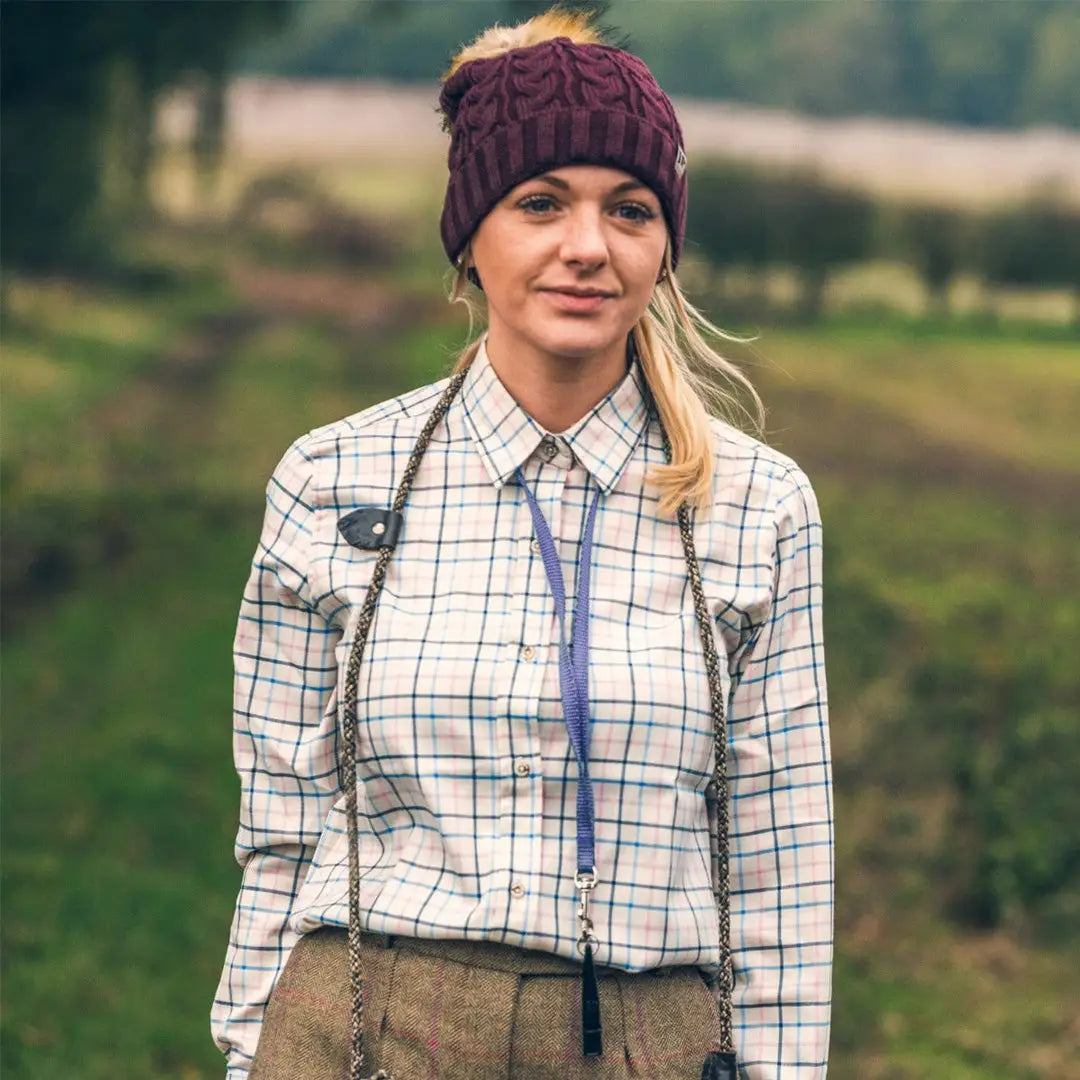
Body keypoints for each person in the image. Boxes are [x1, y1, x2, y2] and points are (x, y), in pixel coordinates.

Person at [211, 8, 832, 1079]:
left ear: (665, 244)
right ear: (471, 235)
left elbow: (780, 869)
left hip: (647, 1039)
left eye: (629, 210)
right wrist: (247, 1054)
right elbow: (280, 833)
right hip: (360, 1029)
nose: (586, 248)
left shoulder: (758, 507)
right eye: (540, 204)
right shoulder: (328, 481)